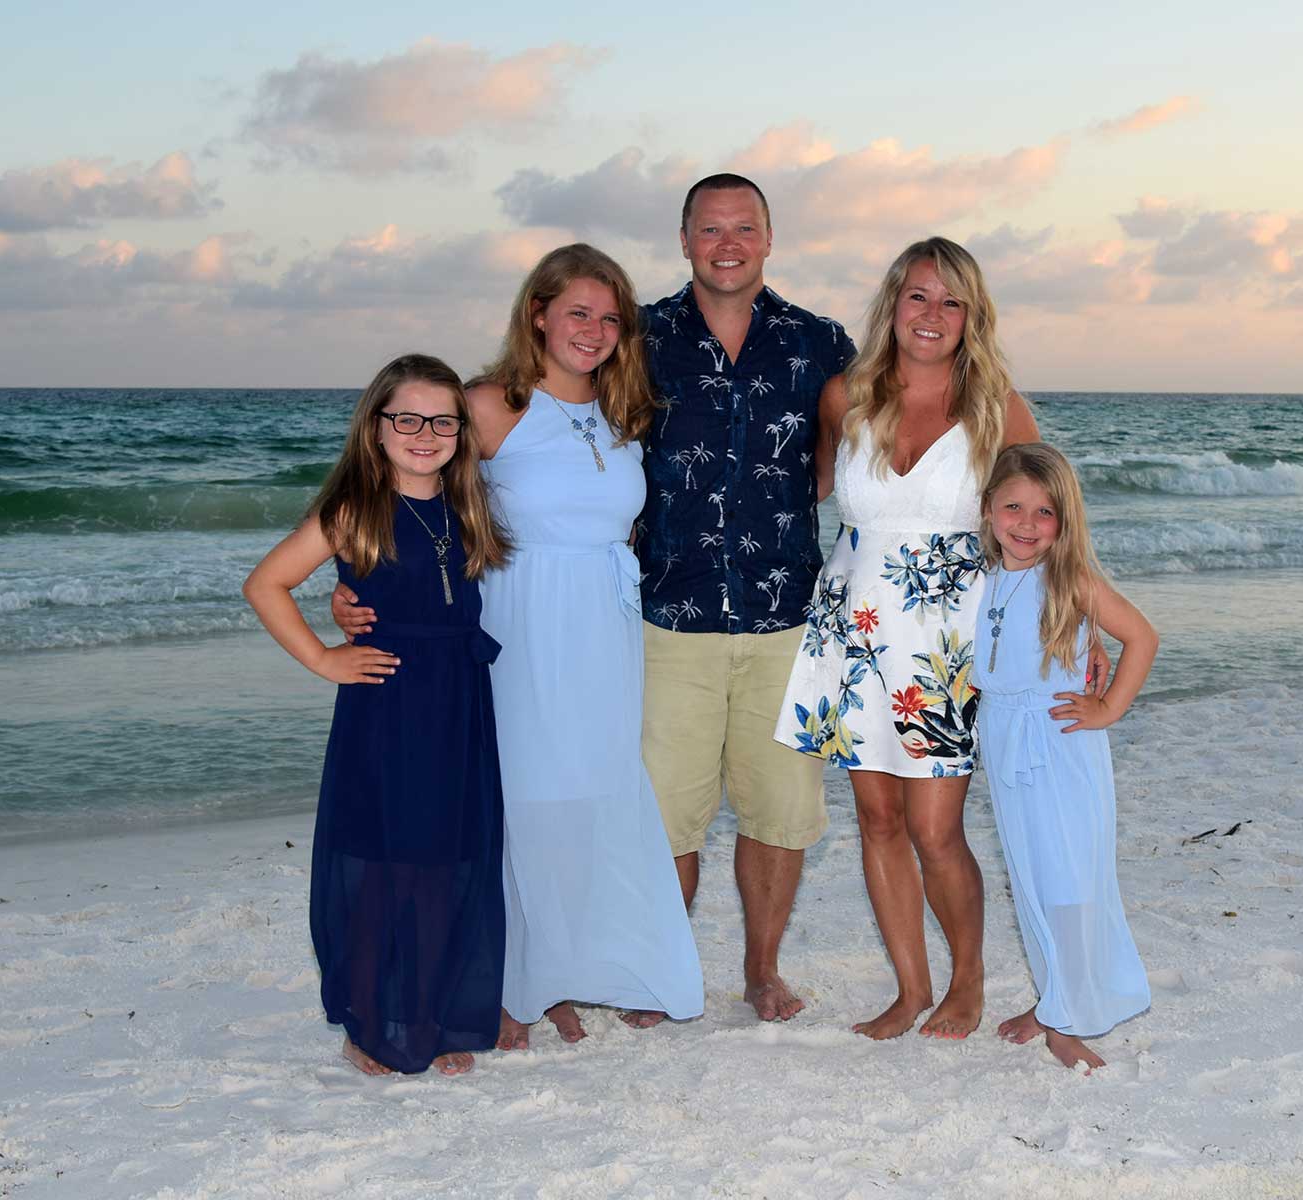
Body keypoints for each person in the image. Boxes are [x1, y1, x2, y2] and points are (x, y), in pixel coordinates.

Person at [335, 245, 705, 1048]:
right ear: (537, 312)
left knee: (591, 795)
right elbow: (400, 488)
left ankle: (558, 974)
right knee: (523, 799)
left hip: (606, 625)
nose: (596, 331)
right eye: (579, 311)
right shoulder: (488, 406)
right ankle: (507, 987)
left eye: (611, 318)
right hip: (524, 618)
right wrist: (353, 582)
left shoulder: (623, 412)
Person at [773, 236, 1045, 1040]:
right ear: (894, 302)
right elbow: (816, 487)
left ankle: (967, 982)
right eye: (919, 296)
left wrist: (1070, 626)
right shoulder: (844, 396)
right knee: (879, 821)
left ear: (972, 318)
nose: (932, 315)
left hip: (945, 642)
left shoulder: (998, 408)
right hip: (855, 631)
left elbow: (1045, 524)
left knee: (936, 828)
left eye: (951, 301)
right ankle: (909, 986)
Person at [243, 353, 510, 1076]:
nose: (425, 433)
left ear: (462, 429)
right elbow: (266, 583)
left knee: (448, 861)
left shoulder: (470, 503)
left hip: (458, 702)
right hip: (388, 705)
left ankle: (437, 1015)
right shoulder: (353, 510)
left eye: (443, 420)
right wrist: (325, 658)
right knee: (386, 866)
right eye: (408, 419)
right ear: (377, 426)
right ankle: (369, 1022)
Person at [636, 173, 855, 1022]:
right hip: (667, 614)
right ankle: (660, 966)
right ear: (685, 239)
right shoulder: (641, 336)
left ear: (769, 238)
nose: (727, 244)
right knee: (665, 815)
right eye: (710, 229)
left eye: (744, 228)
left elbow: (841, 454)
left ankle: (762, 969)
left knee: (780, 809)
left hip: (786, 618)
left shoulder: (819, 341)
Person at [975, 442, 1157, 1070]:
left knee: (1072, 880)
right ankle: (1055, 996)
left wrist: (1108, 710)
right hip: (1003, 742)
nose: (1027, 524)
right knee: (1030, 878)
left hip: (1061, 746)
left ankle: (1071, 1019)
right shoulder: (984, 577)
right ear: (988, 509)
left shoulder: (1069, 579)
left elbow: (1142, 636)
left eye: (1045, 512)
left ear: (1065, 522)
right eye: (1014, 507)